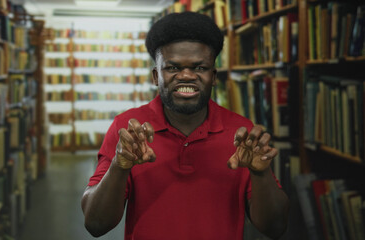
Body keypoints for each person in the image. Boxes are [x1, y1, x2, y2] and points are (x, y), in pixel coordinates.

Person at [81, 11, 289, 240]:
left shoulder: (242, 133)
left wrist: (261, 175)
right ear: (155, 76)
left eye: (199, 68)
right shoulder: (128, 130)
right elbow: (95, 224)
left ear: (214, 76)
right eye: (173, 68)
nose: (187, 75)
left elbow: (275, 228)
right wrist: (119, 168)